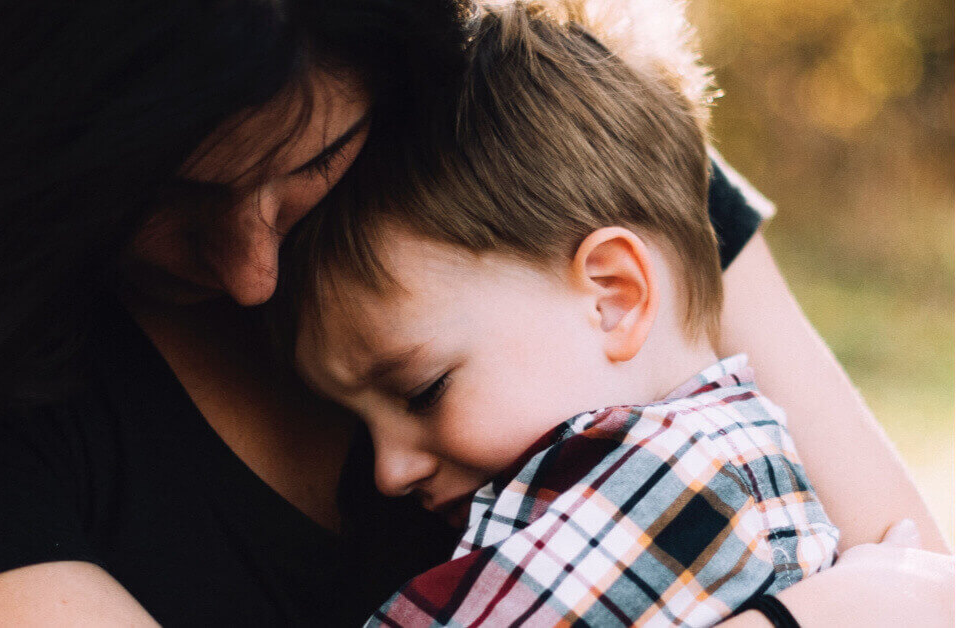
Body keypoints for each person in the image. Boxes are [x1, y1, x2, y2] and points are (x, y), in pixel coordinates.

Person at [0, 0, 948, 627]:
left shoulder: (538, 157)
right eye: (155, 197)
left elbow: (923, 585)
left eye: (312, 159)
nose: (251, 270)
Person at [280, 1, 838, 624]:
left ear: (613, 298)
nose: (388, 472)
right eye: (360, 422)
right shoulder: (723, 459)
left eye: (423, 391)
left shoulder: (669, 488)